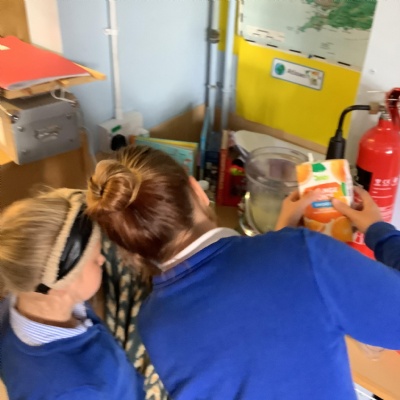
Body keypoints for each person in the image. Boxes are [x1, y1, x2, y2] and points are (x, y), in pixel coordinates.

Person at [86, 144, 400, 400]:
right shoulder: (303, 253)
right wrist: (380, 232)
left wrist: (278, 240)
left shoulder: (153, 322)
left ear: (131, 246)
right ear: (197, 190)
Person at [0, 188, 145, 400]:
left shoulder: (23, 296)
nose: (103, 259)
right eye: (95, 260)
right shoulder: (79, 390)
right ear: (62, 284)